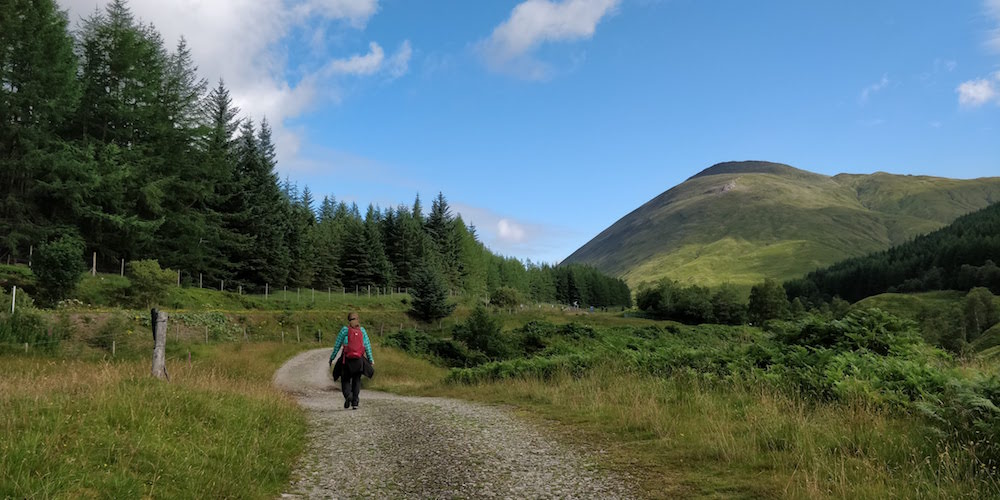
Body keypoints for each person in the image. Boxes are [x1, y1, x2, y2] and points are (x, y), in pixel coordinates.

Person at [329, 311, 374, 410]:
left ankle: (348, 395)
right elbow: (367, 346)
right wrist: (370, 360)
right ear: (358, 319)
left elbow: (337, 346)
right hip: (359, 361)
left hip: (346, 360)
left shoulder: (344, 330)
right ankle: (355, 402)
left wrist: (332, 358)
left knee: (345, 379)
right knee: (356, 380)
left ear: (348, 320)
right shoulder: (362, 330)